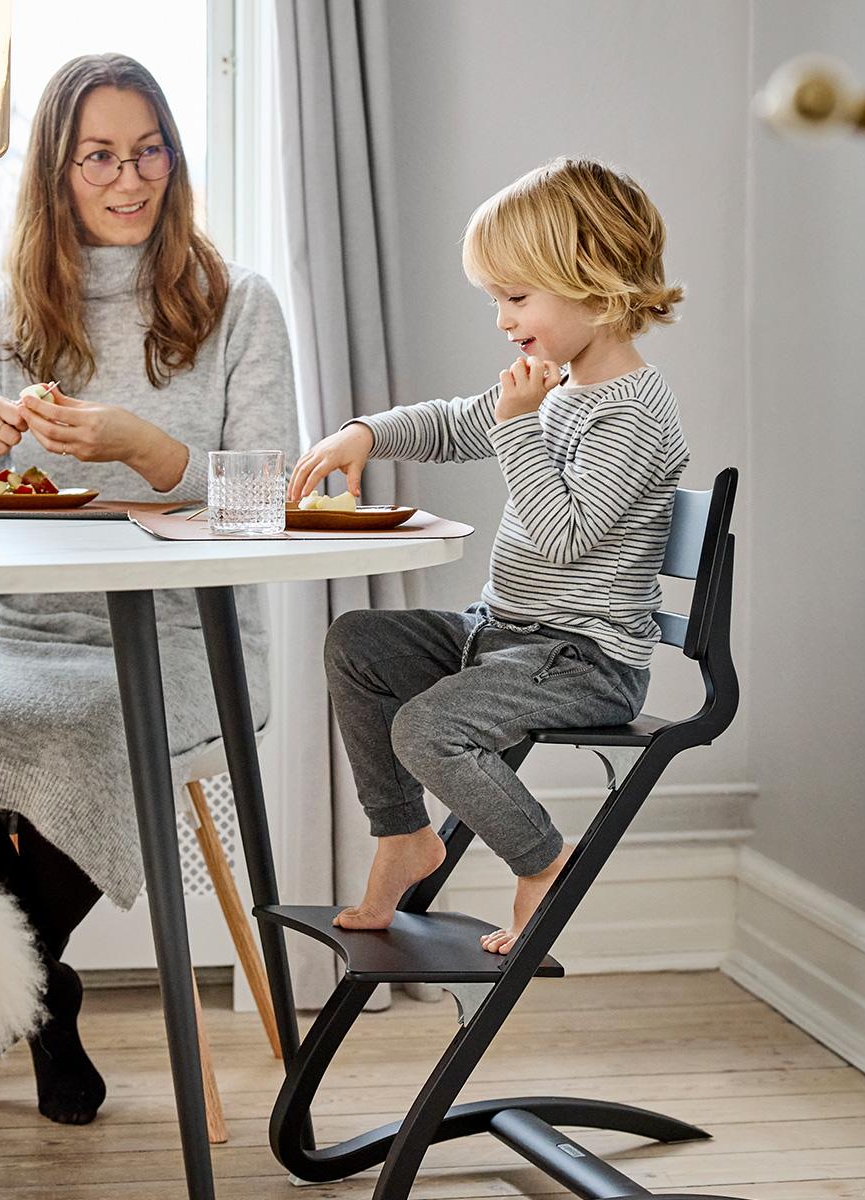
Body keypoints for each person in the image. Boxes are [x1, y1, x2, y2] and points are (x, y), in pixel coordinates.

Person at [0, 54, 297, 1124]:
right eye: (98, 155)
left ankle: (8, 988)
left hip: (187, 639)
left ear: (174, 158)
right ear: (57, 174)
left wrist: (153, 451)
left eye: (148, 149)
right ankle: (47, 999)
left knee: (98, 740)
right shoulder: (3, 318)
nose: (129, 177)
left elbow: (269, 502)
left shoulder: (237, 305)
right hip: (21, 628)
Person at [289, 157, 688, 956]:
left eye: (515, 297)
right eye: (495, 300)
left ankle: (544, 860)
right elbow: (458, 421)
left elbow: (563, 532)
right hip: (505, 632)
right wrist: (367, 432)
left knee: (427, 729)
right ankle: (404, 836)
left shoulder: (637, 414)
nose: (503, 321)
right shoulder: (559, 386)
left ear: (594, 281)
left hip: (584, 658)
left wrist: (518, 425)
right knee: (358, 644)